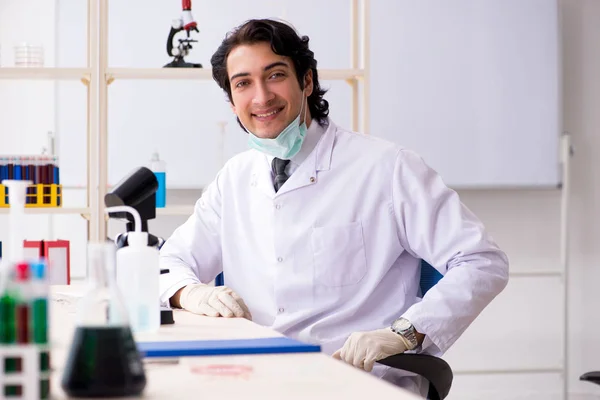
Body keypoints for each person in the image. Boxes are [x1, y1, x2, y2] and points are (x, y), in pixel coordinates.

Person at [159, 18, 509, 396]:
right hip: (259, 381)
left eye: (275, 75)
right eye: (243, 83)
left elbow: (481, 261)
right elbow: (166, 264)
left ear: (306, 81)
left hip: (360, 382)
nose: (261, 97)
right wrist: (190, 292)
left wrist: (404, 333)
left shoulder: (386, 167)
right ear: (232, 101)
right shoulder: (234, 179)